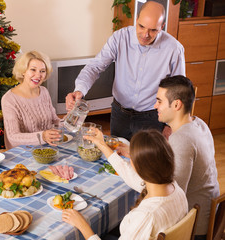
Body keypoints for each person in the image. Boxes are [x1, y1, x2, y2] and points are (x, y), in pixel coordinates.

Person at [65, 1, 185, 140]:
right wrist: (80, 90)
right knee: (116, 158)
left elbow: (179, 90)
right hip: (119, 114)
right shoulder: (120, 38)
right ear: (136, 19)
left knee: (145, 162)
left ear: (162, 27)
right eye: (141, 26)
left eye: (153, 30)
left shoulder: (174, 49)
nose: (145, 34)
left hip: (152, 117)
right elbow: (95, 67)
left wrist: (171, 124)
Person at [62, 129, 188, 239]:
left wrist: (83, 225)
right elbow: (130, 175)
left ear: (139, 167)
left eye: (132, 156)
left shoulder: (145, 216)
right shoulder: (174, 188)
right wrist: (102, 144)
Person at [154, 75, 219, 239]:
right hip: (210, 211)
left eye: (159, 101)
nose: (155, 106)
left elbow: (173, 194)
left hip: (194, 226)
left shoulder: (182, 138)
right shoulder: (199, 123)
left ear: (176, 104)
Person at [1, 51, 61, 149]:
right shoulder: (9, 99)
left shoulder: (44, 92)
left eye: (42, 71)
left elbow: (54, 121)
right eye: (33, 70)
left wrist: (72, 119)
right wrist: (42, 136)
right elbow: (13, 137)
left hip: (47, 149)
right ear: (23, 71)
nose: (38, 76)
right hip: (22, 154)